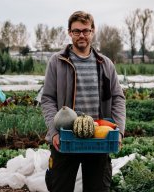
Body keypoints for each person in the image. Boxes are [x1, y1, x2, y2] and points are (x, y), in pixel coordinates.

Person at [41, 10, 126, 192]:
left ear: (92, 32)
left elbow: (118, 98)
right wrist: (54, 131)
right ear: (70, 33)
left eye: (86, 30)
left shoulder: (105, 64)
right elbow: (47, 99)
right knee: (60, 187)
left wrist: (118, 130)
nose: (82, 35)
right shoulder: (57, 62)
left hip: (98, 137)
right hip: (65, 138)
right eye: (77, 31)